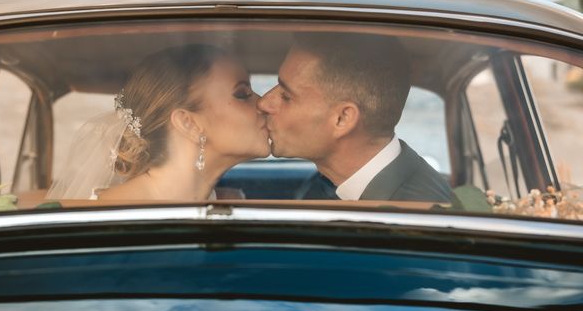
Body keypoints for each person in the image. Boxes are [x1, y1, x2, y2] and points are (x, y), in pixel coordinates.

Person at [48, 44, 270, 200]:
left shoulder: (224, 206)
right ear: (188, 124)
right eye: (242, 94)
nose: (263, 103)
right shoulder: (109, 218)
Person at [257, 33, 455, 203]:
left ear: (342, 119)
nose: (264, 102)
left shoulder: (410, 219)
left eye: (286, 96)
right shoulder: (342, 187)